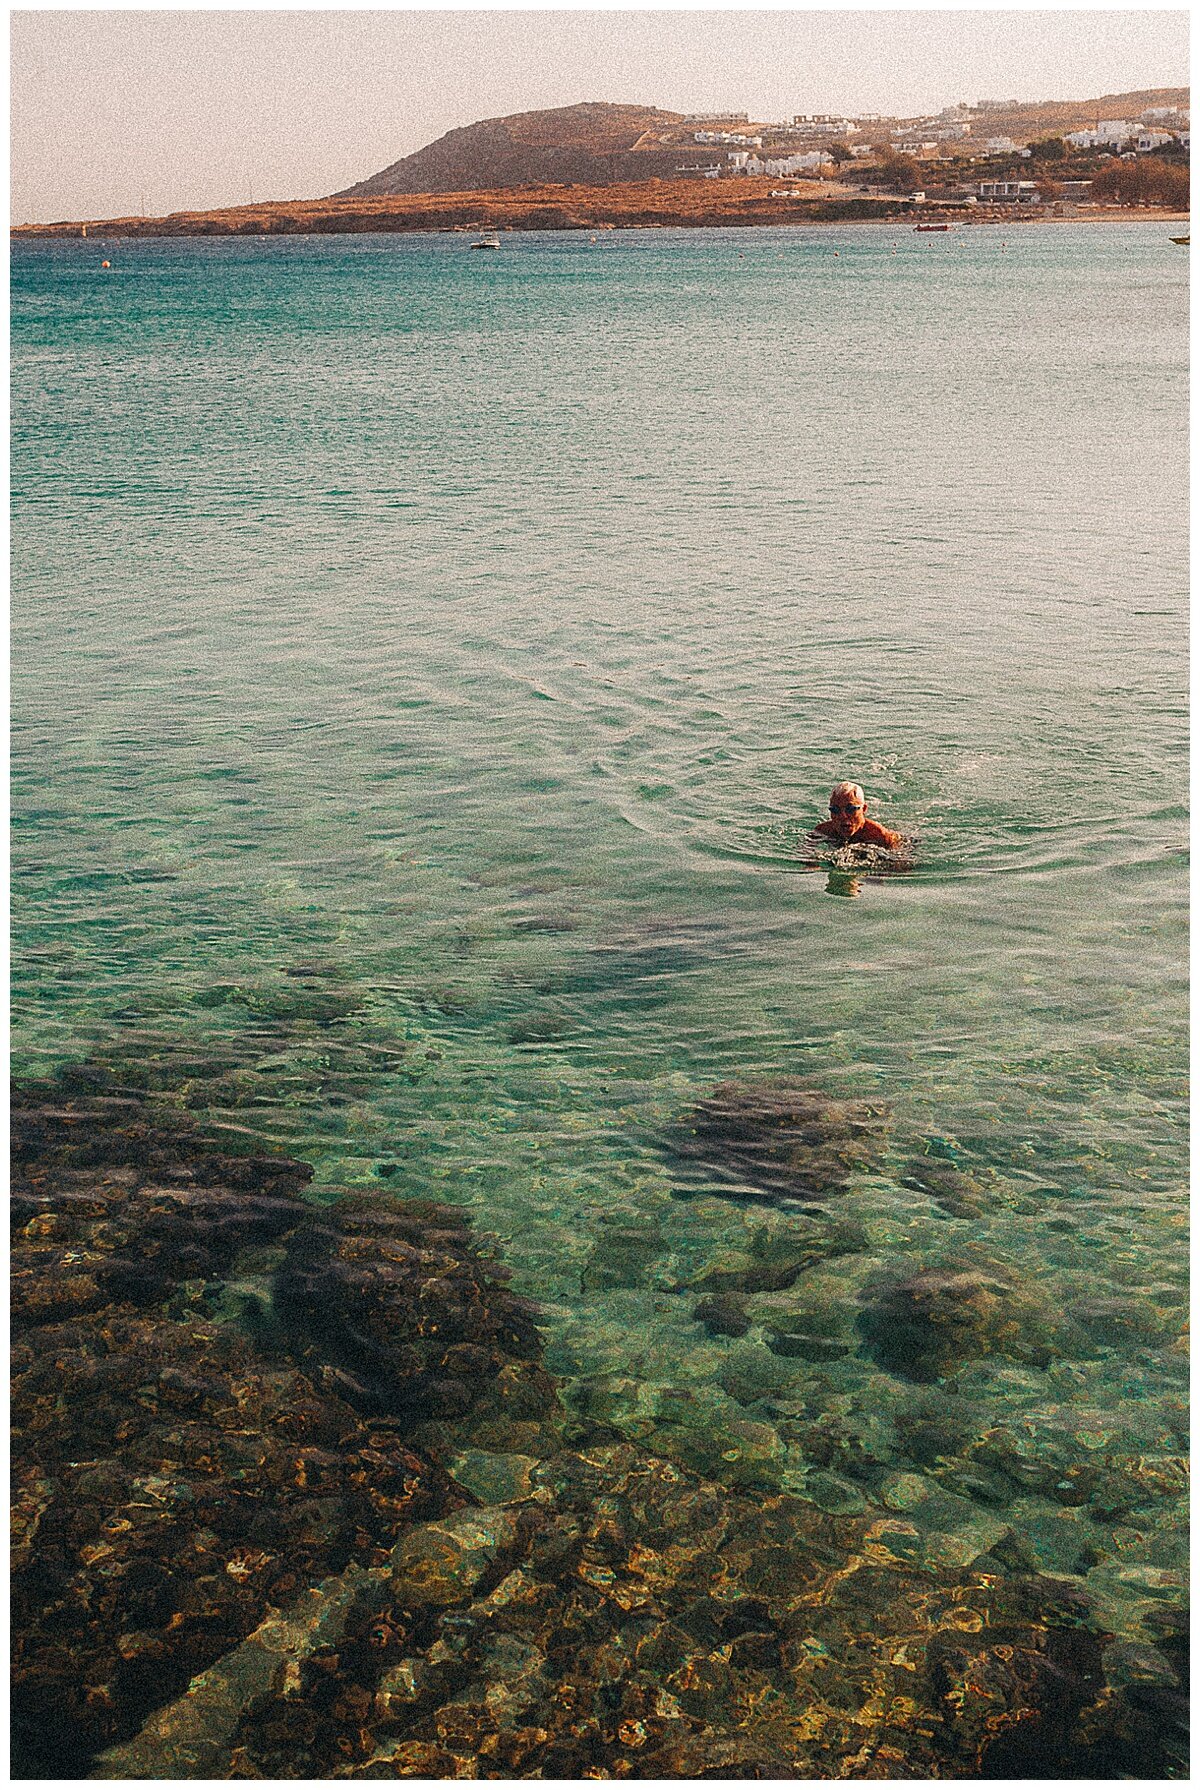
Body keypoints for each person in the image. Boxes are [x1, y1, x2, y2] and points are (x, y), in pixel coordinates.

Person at [811, 781, 901, 850]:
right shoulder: (822, 831)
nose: (843, 816)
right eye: (835, 810)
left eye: (850, 809)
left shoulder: (881, 836)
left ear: (864, 809)